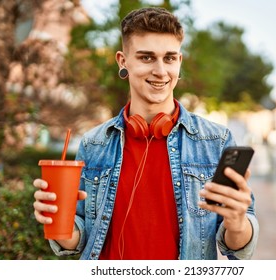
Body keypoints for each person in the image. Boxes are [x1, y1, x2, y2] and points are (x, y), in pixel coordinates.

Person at [33, 6, 259, 260]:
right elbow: (78, 239)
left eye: (169, 58)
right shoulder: (94, 143)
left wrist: (238, 223)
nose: (161, 71)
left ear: (179, 61)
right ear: (123, 61)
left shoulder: (216, 142)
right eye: (147, 57)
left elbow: (238, 248)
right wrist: (55, 219)